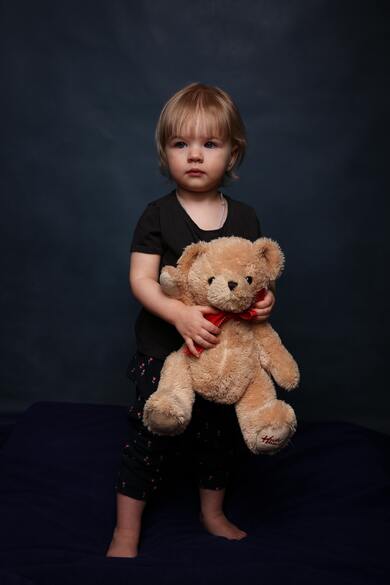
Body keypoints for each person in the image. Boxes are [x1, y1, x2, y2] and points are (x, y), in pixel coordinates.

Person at [106, 82, 276, 558]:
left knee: (218, 439)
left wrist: (266, 304)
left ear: (233, 153)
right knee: (149, 437)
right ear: (165, 152)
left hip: (223, 360)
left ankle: (212, 513)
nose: (194, 155)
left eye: (210, 144)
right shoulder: (157, 215)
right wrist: (178, 313)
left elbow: (255, 281)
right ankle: (125, 530)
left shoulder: (244, 216)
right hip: (166, 353)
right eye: (181, 144)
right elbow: (141, 280)